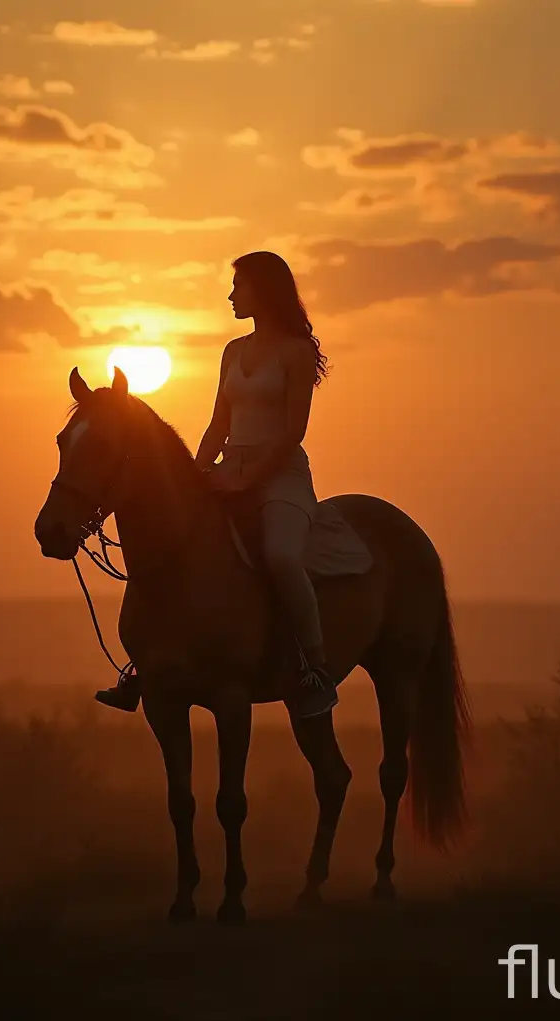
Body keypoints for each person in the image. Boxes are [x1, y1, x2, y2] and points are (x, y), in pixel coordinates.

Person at [95, 251, 339, 718]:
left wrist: (248, 477)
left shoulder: (296, 351)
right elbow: (216, 426)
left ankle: (314, 667)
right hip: (230, 469)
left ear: (264, 290)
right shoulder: (232, 351)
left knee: (282, 556)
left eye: (239, 286)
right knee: (175, 544)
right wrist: (195, 474)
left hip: (280, 474)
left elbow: (293, 432)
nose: (230, 295)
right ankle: (147, 660)